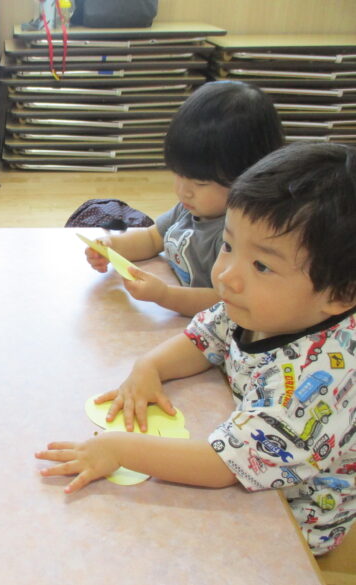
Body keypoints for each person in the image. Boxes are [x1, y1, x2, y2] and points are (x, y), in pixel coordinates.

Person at [40, 143, 356, 555]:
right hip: (245, 446)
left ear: (340, 294)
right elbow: (204, 337)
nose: (225, 275)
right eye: (228, 245)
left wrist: (116, 448)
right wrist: (150, 366)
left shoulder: (318, 384)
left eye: (261, 265)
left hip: (291, 522)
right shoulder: (258, 305)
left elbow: (220, 465)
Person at [84, 80, 284, 317]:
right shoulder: (192, 207)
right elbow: (152, 239)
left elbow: (225, 303)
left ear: (251, 176)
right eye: (178, 175)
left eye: (200, 183)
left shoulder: (239, 236)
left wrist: (165, 295)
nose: (183, 191)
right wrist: (112, 248)